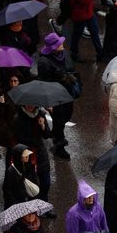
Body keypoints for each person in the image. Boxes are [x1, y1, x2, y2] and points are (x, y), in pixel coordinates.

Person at [36, 32, 78, 160]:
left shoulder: (63, 54)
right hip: (55, 97)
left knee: (66, 116)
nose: (63, 45)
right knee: (59, 121)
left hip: (67, 93)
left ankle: (55, 133)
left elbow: (70, 68)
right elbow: (44, 83)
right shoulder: (44, 62)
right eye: (60, 44)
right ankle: (59, 145)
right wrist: (49, 103)